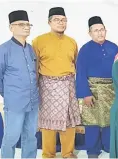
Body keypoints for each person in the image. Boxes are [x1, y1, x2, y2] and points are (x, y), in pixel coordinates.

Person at [32, 7, 81, 158]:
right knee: (48, 121)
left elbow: (76, 63)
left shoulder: (71, 42)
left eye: (63, 20)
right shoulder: (38, 41)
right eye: (57, 20)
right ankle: (48, 154)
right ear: (49, 22)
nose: (61, 23)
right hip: (48, 85)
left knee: (69, 119)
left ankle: (68, 152)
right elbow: (35, 65)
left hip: (68, 83)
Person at [75, 16, 118, 158]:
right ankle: (93, 150)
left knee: (109, 119)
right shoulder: (85, 49)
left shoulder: (113, 47)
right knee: (92, 121)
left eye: (102, 30)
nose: (100, 33)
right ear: (90, 33)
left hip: (111, 90)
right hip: (92, 91)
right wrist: (85, 94)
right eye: (96, 30)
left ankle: (109, 146)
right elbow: (80, 73)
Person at [0, 10, 39, 158]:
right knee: (11, 137)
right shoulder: (3, 50)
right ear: (11, 28)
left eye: (28, 24)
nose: (26, 27)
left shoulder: (31, 49)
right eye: (21, 24)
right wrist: (9, 94)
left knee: (31, 136)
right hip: (15, 103)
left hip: (33, 101)